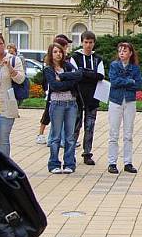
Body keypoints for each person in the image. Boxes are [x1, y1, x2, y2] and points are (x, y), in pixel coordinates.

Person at [43, 42, 81, 174]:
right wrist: (68, 83)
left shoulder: (68, 66)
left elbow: (78, 75)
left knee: (70, 136)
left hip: (71, 103)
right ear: (50, 54)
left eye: (60, 51)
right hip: (56, 104)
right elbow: (54, 86)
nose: (58, 54)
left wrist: (63, 77)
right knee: (56, 136)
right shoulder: (48, 69)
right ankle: (54, 163)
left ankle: (69, 163)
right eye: (55, 52)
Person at [108, 42, 142, 174]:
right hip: (115, 101)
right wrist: (129, 81)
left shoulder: (135, 68)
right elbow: (114, 81)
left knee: (128, 133)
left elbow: (139, 84)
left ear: (130, 53)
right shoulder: (114, 65)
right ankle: (112, 162)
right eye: (120, 51)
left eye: (124, 51)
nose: (122, 53)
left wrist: (129, 82)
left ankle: (128, 162)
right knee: (113, 133)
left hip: (129, 101)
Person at [70, 31, 105, 166]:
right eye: (86, 42)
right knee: (75, 126)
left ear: (94, 43)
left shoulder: (97, 59)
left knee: (90, 126)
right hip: (77, 96)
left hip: (93, 97)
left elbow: (100, 75)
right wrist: (90, 74)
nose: (88, 45)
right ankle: (70, 153)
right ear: (82, 42)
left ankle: (87, 153)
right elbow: (75, 75)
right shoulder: (75, 57)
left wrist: (84, 73)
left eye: (91, 42)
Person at [36, 34, 72, 145]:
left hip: (65, 97)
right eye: (65, 46)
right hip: (52, 94)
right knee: (48, 114)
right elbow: (53, 84)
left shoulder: (67, 63)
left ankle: (59, 138)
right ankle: (41, 135)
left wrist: (64, 80)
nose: (66, 49)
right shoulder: (49, 66)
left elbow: (75, 78)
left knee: (57, 118)